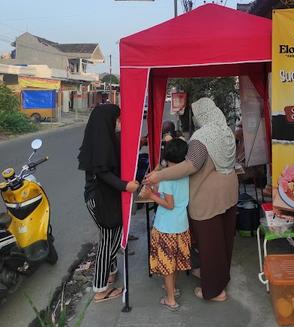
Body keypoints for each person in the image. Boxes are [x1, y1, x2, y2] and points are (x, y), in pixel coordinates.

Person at [144, 97, 238, 302]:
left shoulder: (202, 137)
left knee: (210, 245)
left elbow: (191, 166)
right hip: (229, 193)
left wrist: (159, 175)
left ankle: (214, 291)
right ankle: (220, 277)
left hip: (208, 199)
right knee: (223, 241)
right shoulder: (226, 130)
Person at [78, 104, 139, 303]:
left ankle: (111, 273)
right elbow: (103, 173)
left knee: (110, 236)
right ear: (108, 121)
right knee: (108, 242)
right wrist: (125, 186)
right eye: (117, 119)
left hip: (101, 197)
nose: (119, 123)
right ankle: (101, 289)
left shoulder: (100, 137)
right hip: (101, 198)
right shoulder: (102, 142)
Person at [141, 138, 190, 311]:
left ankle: (170, 299)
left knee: (167, 265)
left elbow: (169, 204)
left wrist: (151, 196)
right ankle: (173, 289)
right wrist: (156, 190)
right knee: (175, 261)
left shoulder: (168, 178)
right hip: (181, 225)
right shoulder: (185, 173)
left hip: (167, 227)